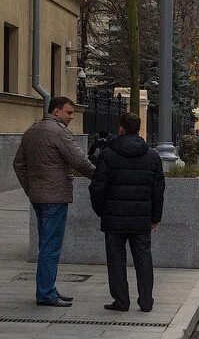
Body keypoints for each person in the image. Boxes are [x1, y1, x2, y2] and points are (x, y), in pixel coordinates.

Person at [13, 96, 97, 307]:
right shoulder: (59, 132)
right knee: (51, 247)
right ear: (56, 111)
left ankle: (47, 288)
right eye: (69, 112)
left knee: (45, 245)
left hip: (38, 197)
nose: (71, 117)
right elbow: (79, 161)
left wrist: (30, 188)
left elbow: (18, 164)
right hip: (55, 197)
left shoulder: (31, 130)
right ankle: (46, 293)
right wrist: (101, 176)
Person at [89, 112, 164, 313]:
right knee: (144, 259)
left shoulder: (108, 153)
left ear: (121, 128)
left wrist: (101, 211)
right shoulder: (152, 155)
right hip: (141, 219)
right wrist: (156, 217)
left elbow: (97, 187)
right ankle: (146, 301)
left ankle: (121, 301)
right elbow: (158, 189)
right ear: (138, 129)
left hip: (113, 218)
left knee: (116, 261)